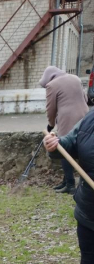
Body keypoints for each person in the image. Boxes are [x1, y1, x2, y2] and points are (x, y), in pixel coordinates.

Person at [44, 110, 94, 264]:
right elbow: (69, 144)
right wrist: (55, 145)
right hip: (89, 205)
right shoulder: (90, 120)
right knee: (89, 253)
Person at [39, 66, 88, 194]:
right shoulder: (75, 78)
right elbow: (86, 98)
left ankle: (70, 185)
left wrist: (50, 124)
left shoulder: (52, 85)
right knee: (81, 147)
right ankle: (66, 181)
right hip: (85, 117)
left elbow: (50, 109)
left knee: (63, 148)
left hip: (67, 119)